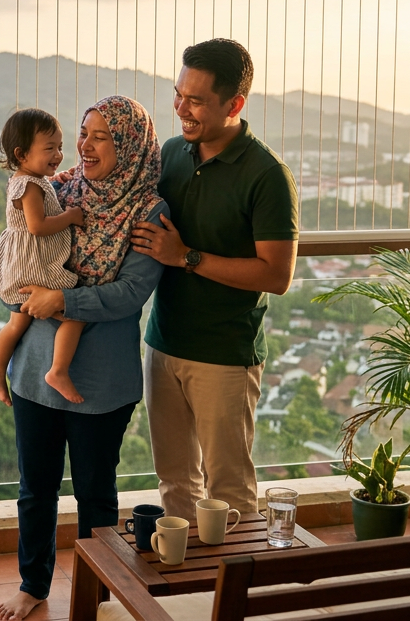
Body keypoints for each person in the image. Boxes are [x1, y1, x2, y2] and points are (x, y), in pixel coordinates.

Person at [0, 96, 169, 621]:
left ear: (131, 145)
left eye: (100, 136)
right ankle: (33, 585)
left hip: (103, 380)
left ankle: (97, 591)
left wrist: (63, 300)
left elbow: (131, 293)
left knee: (95, 493)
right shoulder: (60, 188)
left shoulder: (149, 210)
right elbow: (20, 253)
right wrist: (23, 294)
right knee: (36, 490)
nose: (84, 145)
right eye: (83, 132)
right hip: (33, 373)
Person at [130, 39, 300, 520]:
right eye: (179, 94)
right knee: (174, 480)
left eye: (197, 100)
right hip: (162, 345)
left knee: (228, 488)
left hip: (225, 357)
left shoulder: (267, 175)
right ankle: (188, 591)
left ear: (235, 104)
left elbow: (277, 274)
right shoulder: (171, 155)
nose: (182, 108)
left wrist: (187, 257)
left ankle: (234, 594)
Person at [0, 108, 88, 405]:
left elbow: (43, 199)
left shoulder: (29, 180)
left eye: (60, 147)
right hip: (35, 268)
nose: (57, 154)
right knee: (76, 312)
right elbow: (38, 226)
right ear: (21, 154)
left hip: (19, 267)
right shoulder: (30, 185)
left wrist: (58, 181)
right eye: (49, 149)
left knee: (17, 322)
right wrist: (69, 216)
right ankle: (58, 371)